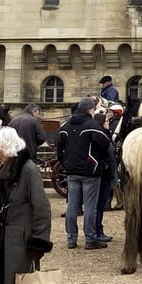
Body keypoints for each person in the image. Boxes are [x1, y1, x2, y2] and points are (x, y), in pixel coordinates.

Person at [0, 127, 53, 284]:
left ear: (6, 147)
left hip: (23, 240)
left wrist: (39, 241)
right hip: (5, 238)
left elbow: (42, 207)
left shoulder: (28, 169)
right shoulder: (4, 168)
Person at [57, 97, 117, 250]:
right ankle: (90, 238)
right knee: (91, 206)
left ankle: (71, 239)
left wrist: (66, 164)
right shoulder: (92, 126)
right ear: (90, 110)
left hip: (71, 170)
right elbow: (105, 145)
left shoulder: (65, 126)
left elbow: (59, 149)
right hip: (90, 171)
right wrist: (98, 161)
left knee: (72, 205)